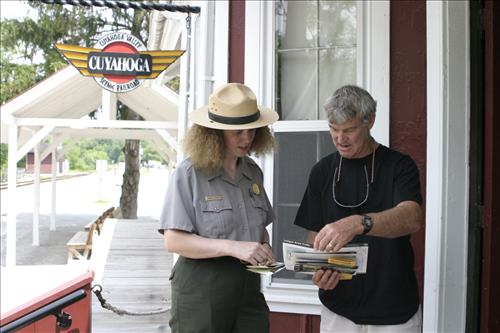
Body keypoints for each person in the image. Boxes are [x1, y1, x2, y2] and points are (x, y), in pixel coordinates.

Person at [294, 85, 423, 332]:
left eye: (349, 130)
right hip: (338, 311)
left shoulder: (400, 165)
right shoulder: (322, 170)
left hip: (394, 313)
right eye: (334, 129)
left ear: (370, 121)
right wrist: (318, 269)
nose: (340, 139)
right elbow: (314, 233)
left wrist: (358, 223)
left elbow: (412, 217)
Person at [159, 82, 279, 333]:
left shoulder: (252, 172)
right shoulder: (189, 173)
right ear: (215, 132)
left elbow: (259, 229)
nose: (247, 138)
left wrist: (264, 247)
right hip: (202, 289)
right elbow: (174, 241)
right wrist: (233, 247)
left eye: (252, 130)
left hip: (248, 286)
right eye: (238, 132)